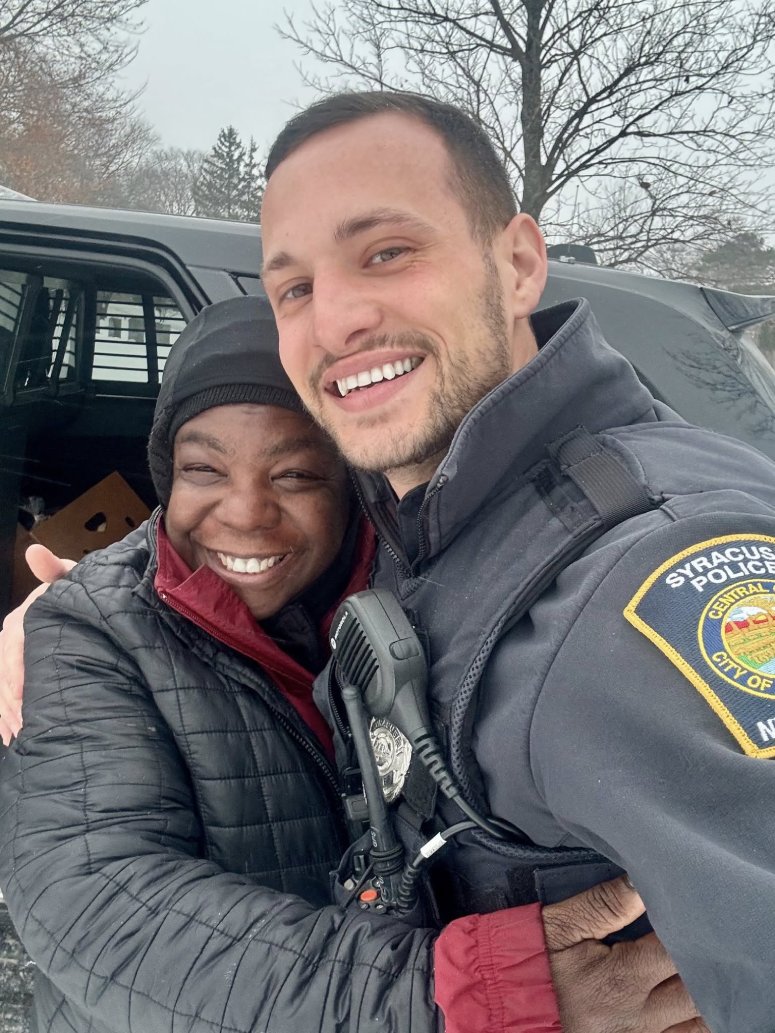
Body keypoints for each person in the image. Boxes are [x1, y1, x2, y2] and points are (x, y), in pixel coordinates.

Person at [0, 295, 691, 1033]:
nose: (244, 512)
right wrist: (457, 994)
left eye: (295, 474)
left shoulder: (433, 580)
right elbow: (101, 905)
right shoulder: (87, 630)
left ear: (352, 481)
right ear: (166, 474)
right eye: (203, 469)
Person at [254, 91, 775, 1033]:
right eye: (292, 288)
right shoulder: (431, 515)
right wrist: (79, 609)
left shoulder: (650, 579)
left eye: (386, 252)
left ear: (520, 262)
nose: (333, 320)